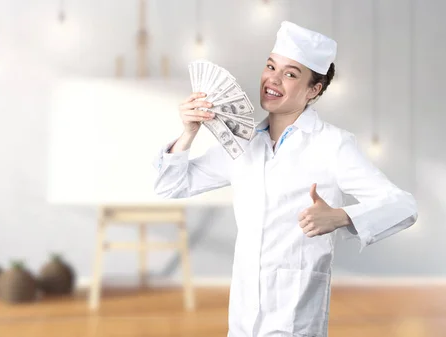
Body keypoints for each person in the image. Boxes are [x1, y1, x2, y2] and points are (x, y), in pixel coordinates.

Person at [152, 21, 418, 337]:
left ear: (313, 89)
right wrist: (188, 132)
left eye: (290, 74)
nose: (273, 79)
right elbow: (170, 185)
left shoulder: (332, 145)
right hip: (242, 317)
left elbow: (403, 206)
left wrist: (339, 216)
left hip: (296, 320)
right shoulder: (242, 141)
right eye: (270, 66)